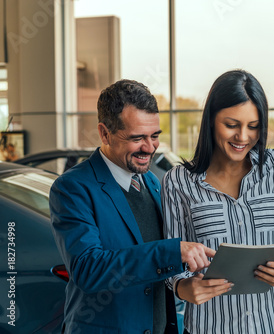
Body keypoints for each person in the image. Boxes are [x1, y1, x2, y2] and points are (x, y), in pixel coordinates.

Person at [50, 79, 215, 334]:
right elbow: (88, 269)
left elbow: (158, 260)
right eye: (137, 138)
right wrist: (172, 252)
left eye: (155, 136)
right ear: (105, 133)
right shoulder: (72, 188)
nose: (150, 148)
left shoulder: (150, 180)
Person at [162, 69, 274, 334]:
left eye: (253, 126)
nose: (243, 137)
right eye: (231, 125)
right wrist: (183, 288)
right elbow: (173, 258)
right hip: (210, 326)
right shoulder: (178, 182)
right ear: (211, 120)